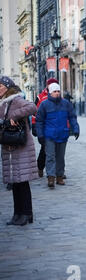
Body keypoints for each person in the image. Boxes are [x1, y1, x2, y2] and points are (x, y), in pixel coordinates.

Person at [0, 75, 39, 226]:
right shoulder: (3, 103)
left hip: (20, 147)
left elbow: (32, 107)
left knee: (22, 183)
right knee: (15, 182)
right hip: (10, 147)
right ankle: (18, 214)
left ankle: (26, 214)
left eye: (0, 86)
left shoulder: (15, 100)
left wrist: (14, 116)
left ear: (7, 87)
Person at [35, 83, 80, 188]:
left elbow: (72, 117)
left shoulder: (66, 104)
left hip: (62, 134)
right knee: (50, 156)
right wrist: (40, 135)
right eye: (54, 91)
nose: (57, 93)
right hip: (49, 135)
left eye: (58, 91)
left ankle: (59, 176)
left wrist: (76, 129)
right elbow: (39, 121)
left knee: (60, 157)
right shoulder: (44, 104)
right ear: (50, 92)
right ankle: (51, 177)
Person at [32, 78, 59, 178]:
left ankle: (57, 171)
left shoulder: (58, 96)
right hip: (43, 127)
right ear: (47, 86)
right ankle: (40, 167)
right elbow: (34, 112)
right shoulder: (40, 97)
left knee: (56, 149)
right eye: (51, 85)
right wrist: (35, 127)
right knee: (46, 149)